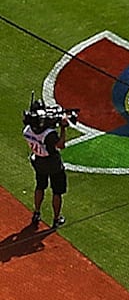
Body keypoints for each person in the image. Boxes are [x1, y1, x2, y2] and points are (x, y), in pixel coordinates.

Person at [25, 95, 67, 230]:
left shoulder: (26, 131)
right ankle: (56, 219)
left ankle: (37, 212)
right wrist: (63, 127)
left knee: (40, 186)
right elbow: (60, 145)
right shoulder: (48, 134)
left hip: (39, 162)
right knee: (57, 191)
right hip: (52, 163)